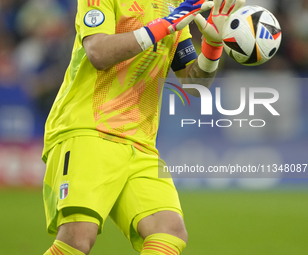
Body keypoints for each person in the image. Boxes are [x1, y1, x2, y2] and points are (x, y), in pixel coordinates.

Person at [42, 0, 245, 254]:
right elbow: (99, 53)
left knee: (169, 231)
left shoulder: (173, 4)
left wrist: (213, 46)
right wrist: (165, 24)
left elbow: (194, 86)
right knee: (77, 238)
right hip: (89, 129)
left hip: (141, 142)